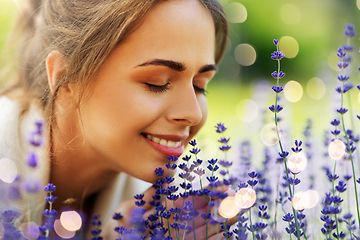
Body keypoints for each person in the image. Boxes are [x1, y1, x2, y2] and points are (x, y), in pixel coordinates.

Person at [0, 0, 228, 238]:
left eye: (200, 86)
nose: (194, 114)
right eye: (157, 83)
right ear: (66, 81)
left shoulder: (167, 209)